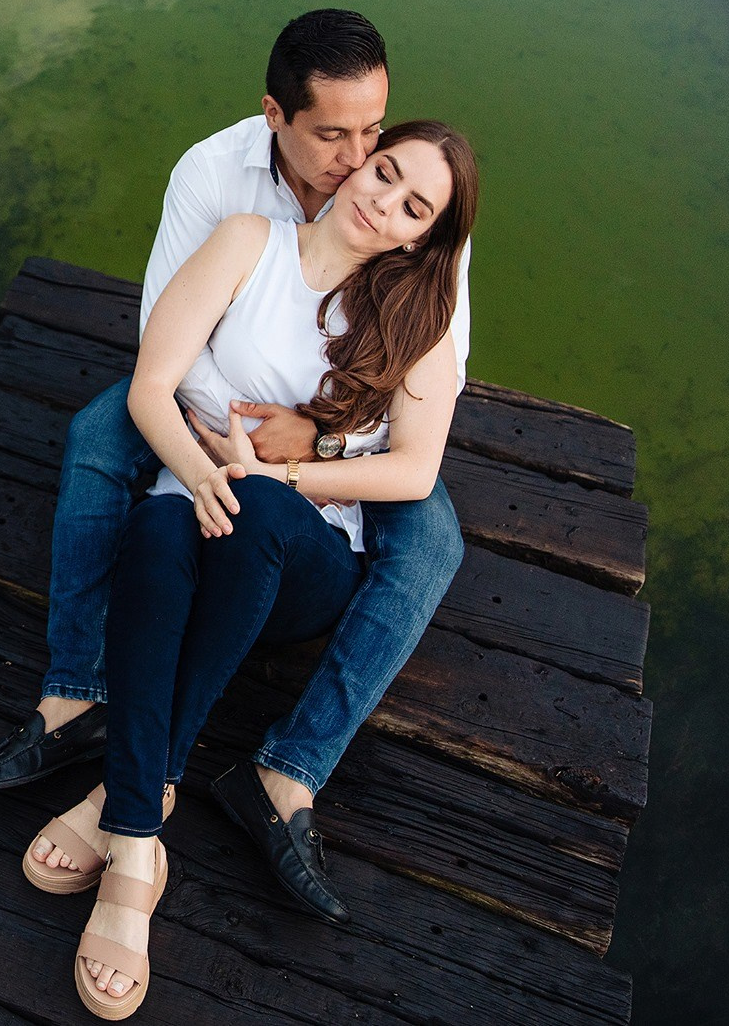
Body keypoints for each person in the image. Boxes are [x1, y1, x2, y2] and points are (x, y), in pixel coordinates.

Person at [0, 9, 471, 923]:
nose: (362, 162)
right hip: (207, 402)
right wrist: (220, 448)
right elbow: (167, 339)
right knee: (100, 432)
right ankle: (76, 696)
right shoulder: (216, 180)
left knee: (432, 538)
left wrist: (308, 442)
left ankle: (287, 771)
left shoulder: (419, 228)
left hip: (328, 446)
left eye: (375, 132)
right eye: (337, 137)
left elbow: (420, 417)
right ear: (275, 114)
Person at [55, 120, 479, 1016]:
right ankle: (137, 829)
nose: (383, 200)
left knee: (253, 517)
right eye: (385, 170)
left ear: (424, 236)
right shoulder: (249, 241)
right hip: (201, 512)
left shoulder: (417, 320)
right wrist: (208, 474)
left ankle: (131, 792)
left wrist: (275, 473)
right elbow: (148, 385)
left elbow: (413, 472)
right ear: (357, 161)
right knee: (159, 534)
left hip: (303, 559)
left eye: (414, 206)